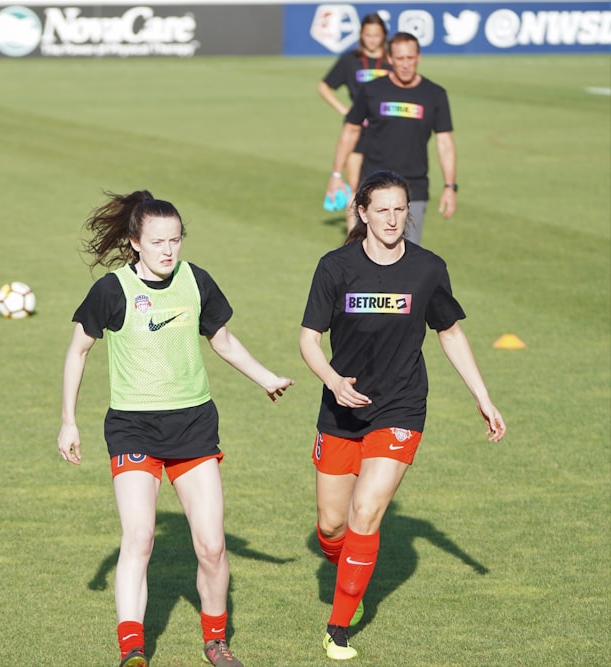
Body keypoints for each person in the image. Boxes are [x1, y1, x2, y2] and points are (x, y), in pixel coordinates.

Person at [57, 190, 294, 667]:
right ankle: (133, 650)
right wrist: (68, 421)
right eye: (159, 241)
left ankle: (216, 640)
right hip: (133, 428)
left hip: (193, 426)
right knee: (140, 537)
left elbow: (222, 339)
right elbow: (78, 350)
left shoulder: (195, 280)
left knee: (211, 544)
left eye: (176, 240)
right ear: (135, 242)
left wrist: (266, 377)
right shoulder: (112, 290)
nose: (169, 250)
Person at [300, 171, 505, 661]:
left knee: (366, 511)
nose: (392, 219)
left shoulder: (427, 269)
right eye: (382, 210)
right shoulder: (335, 267)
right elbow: (309, 339)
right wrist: (333, 382)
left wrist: (482, 395)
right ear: (362, 213)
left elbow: (450, 332)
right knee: (331, 526)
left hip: (401, 406)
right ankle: (351, 567)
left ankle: (338, 626)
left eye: (400, 210)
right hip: (342, 407)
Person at [325, 32, 457, 244]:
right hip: (373, 187)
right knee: (365, 259)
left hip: (414, 189)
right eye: (400, 58)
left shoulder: (435, 95)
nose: (405, 64)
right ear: (390, 59)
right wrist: (336, 174)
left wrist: (450, 186)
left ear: (418, 57)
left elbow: (445, 143)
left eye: (410, 58)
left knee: (407, 264)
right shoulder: (371, 91)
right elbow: (350, 131)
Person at [316, 13, 391, 232]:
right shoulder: (350, 60)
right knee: (358, 186)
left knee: (388, 184)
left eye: (376, 35)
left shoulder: (392, 59)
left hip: (386, 131)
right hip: (358, 131)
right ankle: (354, 238)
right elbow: (324, 86)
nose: (372, 39)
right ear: (361, 35)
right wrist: (346, 110)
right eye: (367, 35)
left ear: (384, 36)